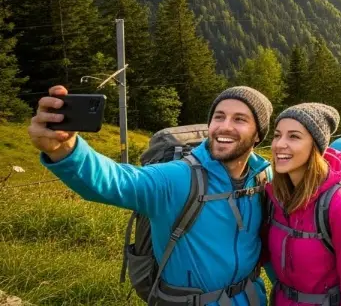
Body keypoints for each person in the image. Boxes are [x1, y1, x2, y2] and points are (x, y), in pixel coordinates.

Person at [28, 85, 274, 306]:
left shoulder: (264, 177)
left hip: (251, 298)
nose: (225, 126)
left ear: (258, 135)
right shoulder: (178, 178)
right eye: (219, 117)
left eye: (240, 119)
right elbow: (115, 181)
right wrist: (65, 150)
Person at [265, 103, 341, 306]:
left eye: (294, 136)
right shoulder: (276, 196)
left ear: (315, 146)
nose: (279, 144)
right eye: (277, 135)